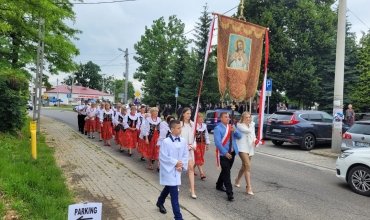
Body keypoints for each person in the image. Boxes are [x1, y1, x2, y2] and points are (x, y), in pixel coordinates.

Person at [156, 120, 188, 220]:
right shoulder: (166, 142)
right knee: (174, 193)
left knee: (168, 188)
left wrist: (181, 165)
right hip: (169, 170)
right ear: (172, 129)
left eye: (181, 128)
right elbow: (163, 157)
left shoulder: (183, 141)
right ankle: (178, 217)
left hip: (177, 170)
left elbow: (185, 154)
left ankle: (160, 202)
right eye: (178, 128)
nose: (180, 130)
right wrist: (175, 163)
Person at [214, 112, 242, 201]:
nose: (228, 118)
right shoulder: (218, 128)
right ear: (221, 118)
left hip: (232, 152)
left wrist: (235, 131)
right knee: (227, 172)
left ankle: (219, 184)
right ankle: (229, 193)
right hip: (223, 154)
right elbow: (218, 143)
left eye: (228, 117)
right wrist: (225, 153)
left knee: (226, 170)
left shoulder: (232, 127)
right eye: (225, 117)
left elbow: (239, 136)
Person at [235, 111, 256, 195]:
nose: (248, 119)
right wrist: (253, 123)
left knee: (244, 166)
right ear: (243, 118)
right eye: (246, 117)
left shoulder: (251, 125)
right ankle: (248, 186)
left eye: (249, 117)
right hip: (242, 148)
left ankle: (237, 179)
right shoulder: (239, 125)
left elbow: (253, 134)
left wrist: (255, 140)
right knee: (247, 165)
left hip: (250, 148)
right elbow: (247, 131)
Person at [179, 107, 197, 199]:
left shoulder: (193, 124)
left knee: (191, 168)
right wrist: (185, 146)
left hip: (190, 151)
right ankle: (176, 185)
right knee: (180, 168)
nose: (189, 115)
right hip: (182, 150)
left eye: (190, 113)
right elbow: (178, 138)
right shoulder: (180, 124)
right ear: (183, 114)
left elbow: (194, 138)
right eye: (187, 113)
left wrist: (194, 145)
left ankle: (192, 190)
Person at [194, 112, 210, 180]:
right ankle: (201, 173)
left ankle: (192, 168)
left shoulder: (204, 126)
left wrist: (207, 144)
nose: (201, 119)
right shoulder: (194, 126)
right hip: (196, 144)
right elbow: (193, 136)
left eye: (201, 118)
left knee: (199, 158)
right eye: (199, 118)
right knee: (198, 157)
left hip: (202, 144)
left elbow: (206, 135)